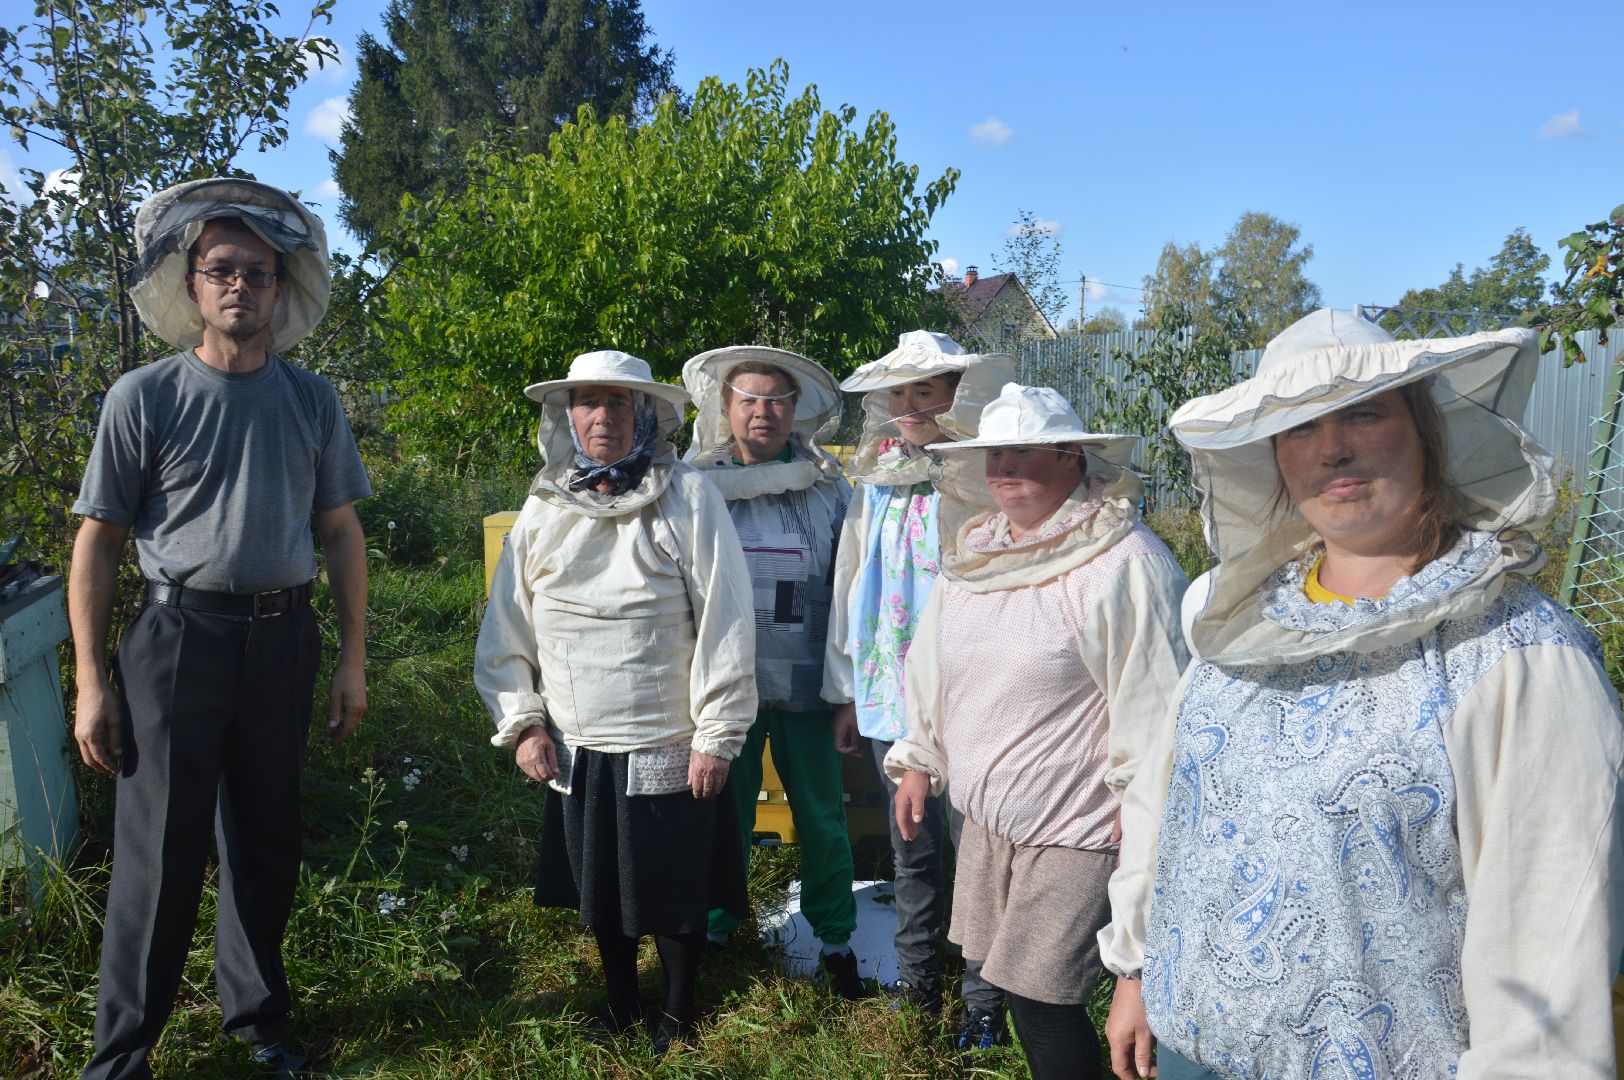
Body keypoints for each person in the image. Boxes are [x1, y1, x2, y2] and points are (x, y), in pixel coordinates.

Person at [1101, 310, 1624, 1080]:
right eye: (1299, 428)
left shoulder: (1517, 657)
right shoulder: (1243, 624)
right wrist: (1135, 968)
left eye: (1365, 414)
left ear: (1427, 432)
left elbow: (1552, 943)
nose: (1332, 449)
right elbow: (1168, 810)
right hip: (1189, 1049)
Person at [69, 179, 371, 1080]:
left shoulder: (314, 402)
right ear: (192, 284)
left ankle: (259, 1026)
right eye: (222, 270)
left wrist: (352, 661)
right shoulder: (144, 396)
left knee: (265, 842)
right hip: (176, 644)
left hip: (283, 641)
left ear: (281, 290)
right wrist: (90, 681)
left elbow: (342, 533)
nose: (240, 285)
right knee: (157, 856)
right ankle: (122, 1055)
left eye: (259, 272)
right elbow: (100, 543)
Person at [885, 383, 1189, 1079]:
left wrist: (1145, 839)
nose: (1004, 468)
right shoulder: (976, 555)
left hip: (1081, 826)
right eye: (995, 454)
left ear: (1073, 457)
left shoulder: (1127, 564)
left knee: (1042, 998)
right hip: (991, 821)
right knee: (1015, 988)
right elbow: (934, 661)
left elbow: (1160, 722)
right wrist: (919, 758)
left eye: (1024, 452)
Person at [474, 350, 758, 1052]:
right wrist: (525, 723)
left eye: (617, 404)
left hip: (667, 733)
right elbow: (507, 623)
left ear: (644, 415)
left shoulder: (689, 498)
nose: (601, 417)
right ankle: (621, 1001)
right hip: (578, 737)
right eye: (587, 403)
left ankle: (679, 1011)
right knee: (600, 885)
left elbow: (726, 617)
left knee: (674, 885)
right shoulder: (543, 508)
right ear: (567, 416)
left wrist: (716, 734)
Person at [822, 330, 1014, 1040]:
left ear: (957, 395)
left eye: (924, 390)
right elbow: (852, 584)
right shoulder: (875, 477)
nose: (908, 405)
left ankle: (986, 1003)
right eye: (898, 392)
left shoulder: (985, 473)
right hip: (888, 692)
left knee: (979, 853)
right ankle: (918, 990)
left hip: (972, 697)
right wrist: (844, 689)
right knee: (913, 852)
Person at [681, 345, 867, 998]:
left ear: (796, 411)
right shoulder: (693, 485)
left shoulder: (828, 487)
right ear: (726, 408)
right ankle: (715, 925)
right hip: (723, 687)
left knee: (820, 815)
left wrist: (847, 693)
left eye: (777, 399)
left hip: (810, 682)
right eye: (750, 398)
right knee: (719, 811)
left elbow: (851, 588)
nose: (764, 411)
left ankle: (837, 939)